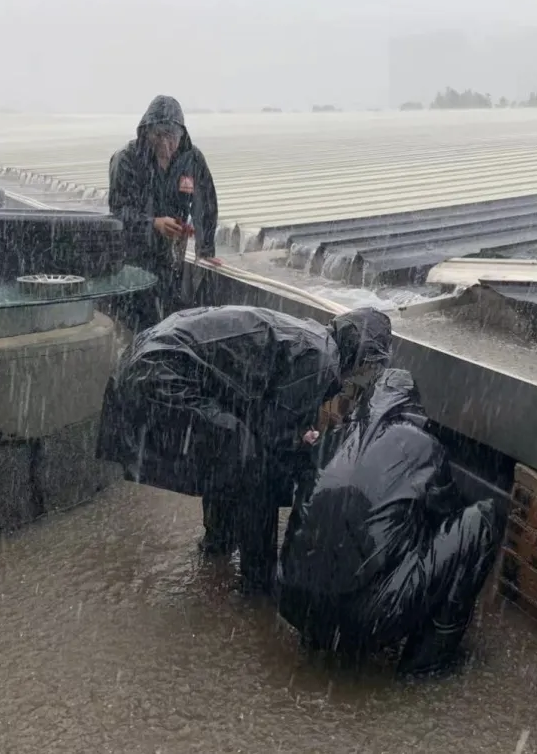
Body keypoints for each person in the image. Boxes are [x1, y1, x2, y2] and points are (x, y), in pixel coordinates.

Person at [95, 305, 394, 594]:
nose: (367, 373)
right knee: (252, 464)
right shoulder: (321, 358)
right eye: (370, 364)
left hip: (149, 359)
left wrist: (293, 435)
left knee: (228, 452)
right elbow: (271, 435)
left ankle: (219, 543)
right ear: (361, 351)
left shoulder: (312, 339)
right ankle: (258, 579)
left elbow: (262, 410)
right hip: (163, 372)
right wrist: (301, 444)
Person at [277, 368, 499, 678]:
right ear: (412, 408)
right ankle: (426, 664)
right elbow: (448, 517)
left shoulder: (332, 439)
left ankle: (317, 636)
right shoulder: (423, 446)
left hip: (292, 601)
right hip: (368, 621)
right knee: (482, 520)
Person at [108, 95, 220, 333]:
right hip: (133, 260)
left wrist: (205, 248)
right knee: (137, 322)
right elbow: (118, 214)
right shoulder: (126, 160)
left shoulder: (192, 159)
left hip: (170, 261)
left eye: (171, 137)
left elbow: (206, 203)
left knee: (171, 322)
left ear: (181, 135)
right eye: (158, 136)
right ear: (146, 133)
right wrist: (153, 223)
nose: (166, 146)